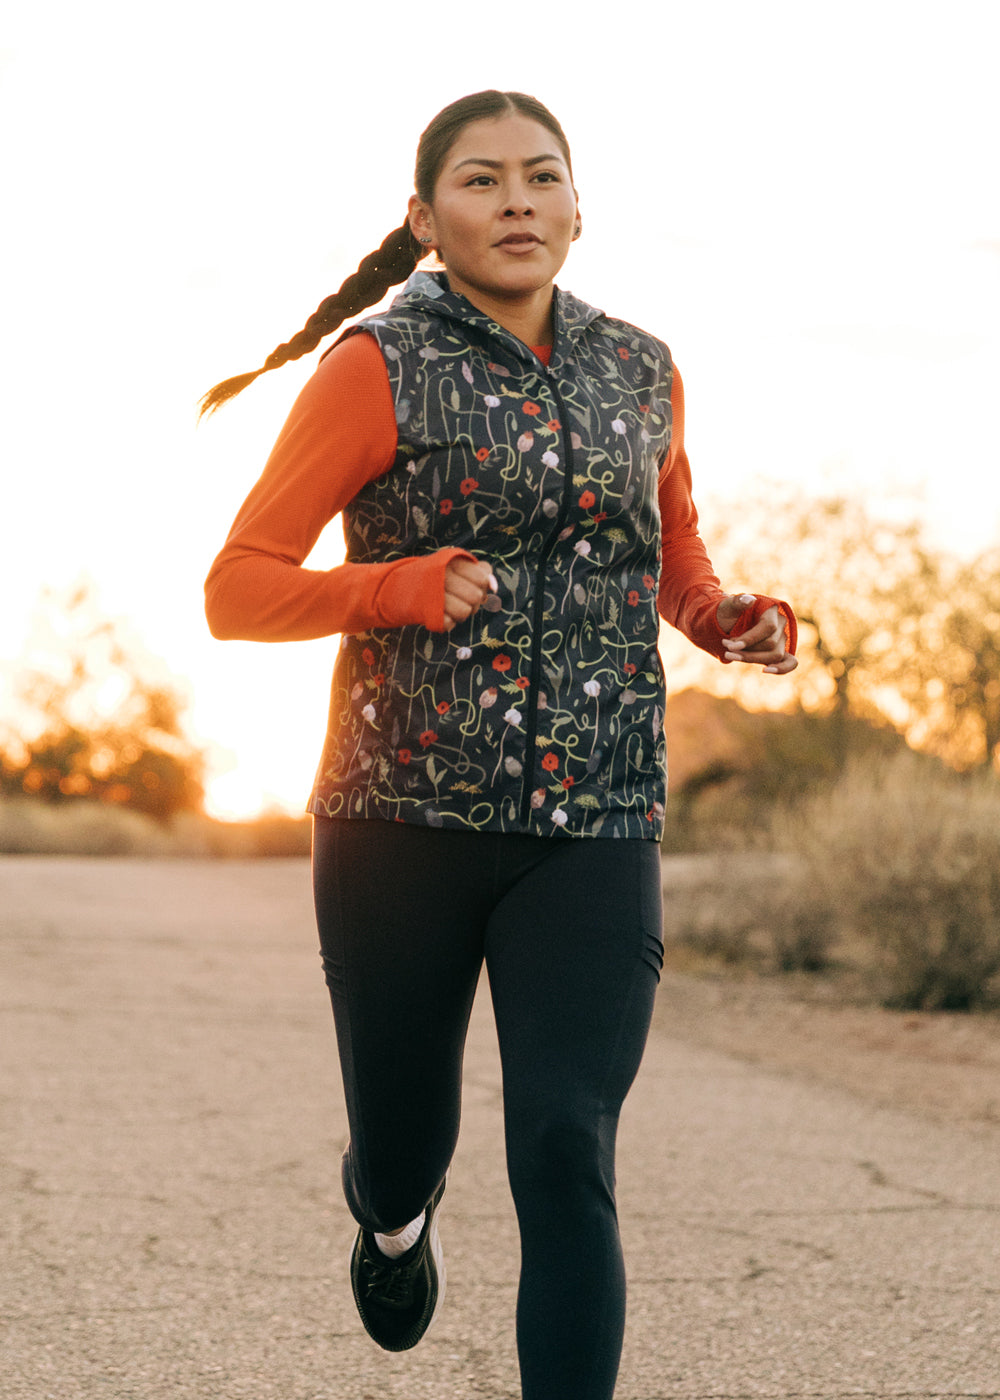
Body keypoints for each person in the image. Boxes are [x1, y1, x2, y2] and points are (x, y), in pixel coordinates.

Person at [202, 90, 797, 1400]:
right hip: (399, 821)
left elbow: (669, 550)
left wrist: (724, 620)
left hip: (596, 818)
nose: (516, 200)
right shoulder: (377, 366)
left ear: (580, 211)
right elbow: (235, 590)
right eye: (481, 180)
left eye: (542, 178)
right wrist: (393, 588)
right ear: (426, 219)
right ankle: (392, 1218)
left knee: (567, 1146)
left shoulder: (643, 366)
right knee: (406, 1138)